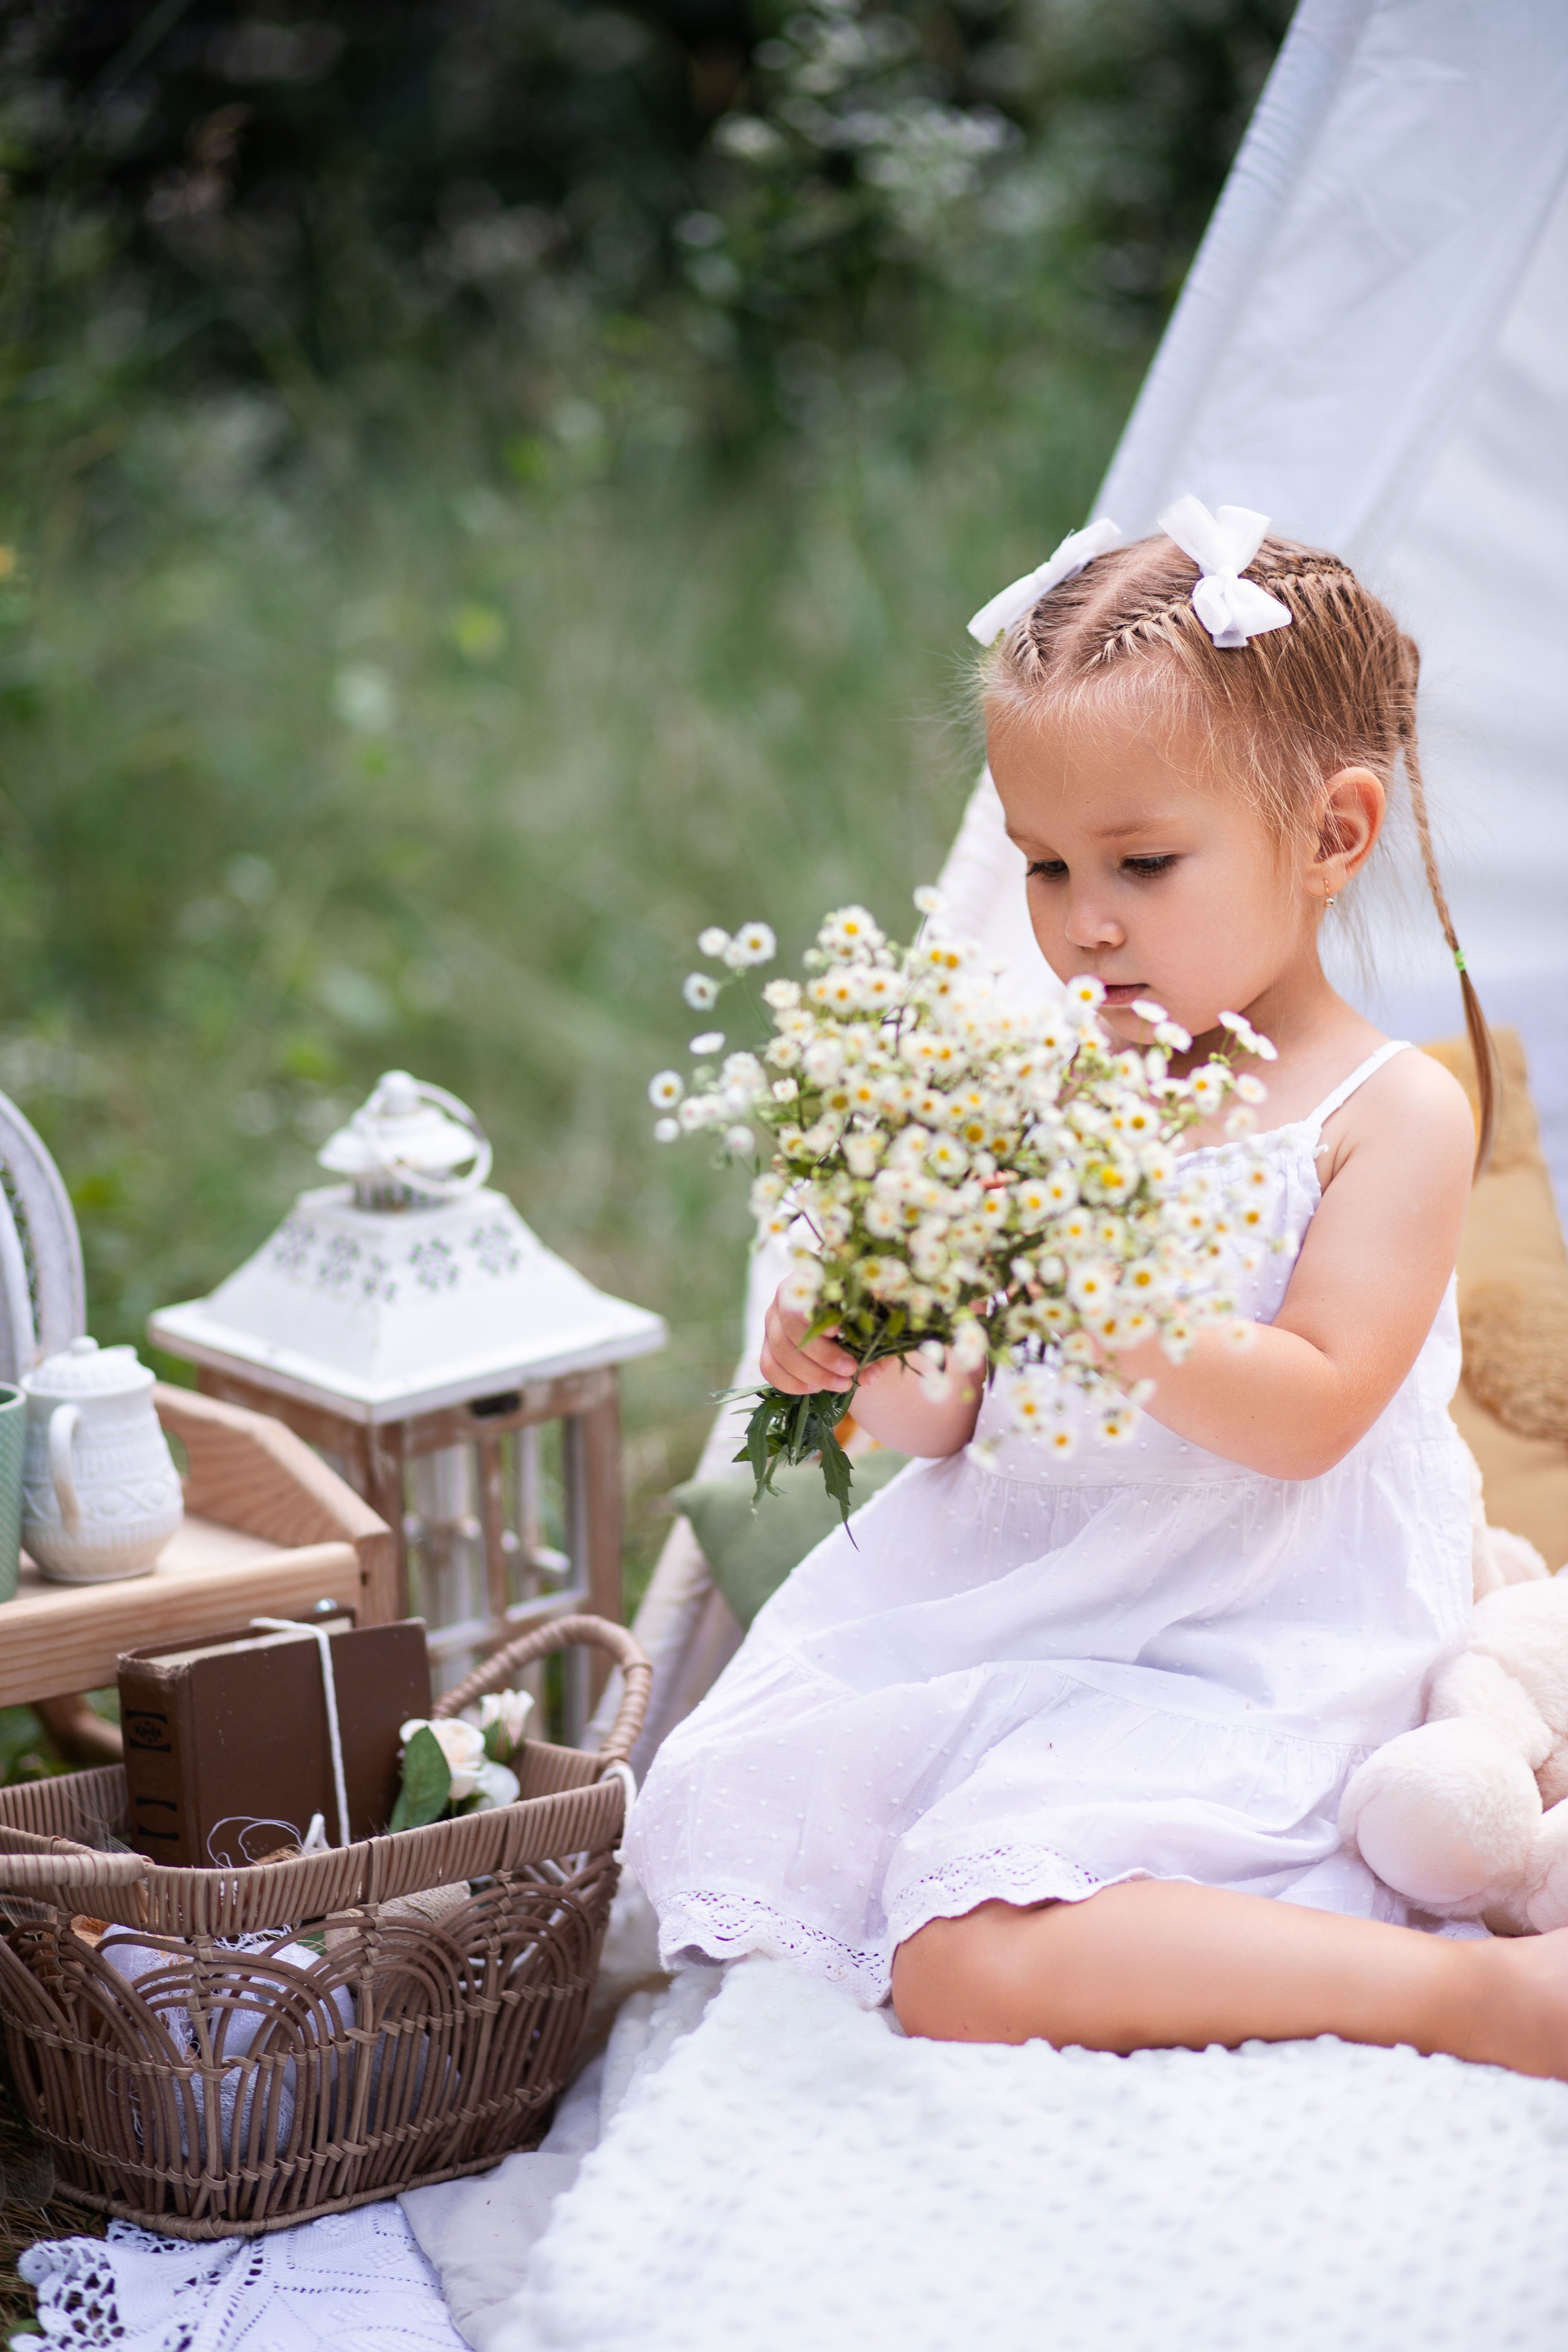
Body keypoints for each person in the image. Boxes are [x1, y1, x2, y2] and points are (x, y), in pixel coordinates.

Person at [627, 503, 1568, 2079]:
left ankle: (1471, 2001)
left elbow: (1310, 1415)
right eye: (1045, 868)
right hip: (1033, 1608)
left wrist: (1091, 1278)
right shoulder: (1055, 1090)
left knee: (958, 1961)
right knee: (771, 1808)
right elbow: (949, 1419)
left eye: (1141, 863)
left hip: (1250, 1626)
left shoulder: (1388, 1111)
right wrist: (852, 1356)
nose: (1084, 923)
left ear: (1332, 836)